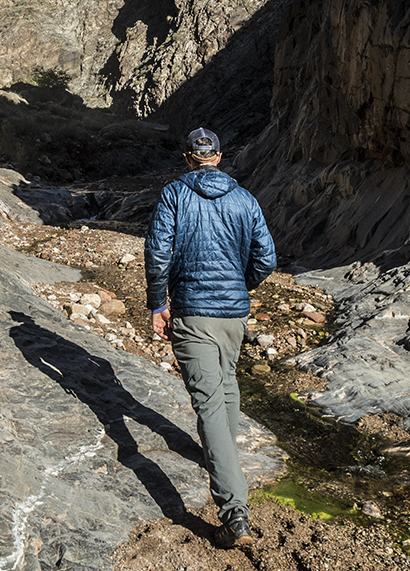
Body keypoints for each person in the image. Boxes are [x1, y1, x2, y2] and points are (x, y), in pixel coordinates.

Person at [144, 126, 276, 548]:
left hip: (192, 313)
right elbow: (267, 258)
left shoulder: (175, 195)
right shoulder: (245, 198)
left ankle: (235, 512)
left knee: (208, 404)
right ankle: (226, 460)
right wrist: (240, 286)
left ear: (188, 157)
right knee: (227, 383)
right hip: (233, 316)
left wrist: (157, 303)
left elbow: (157, 251)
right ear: (217, 157)